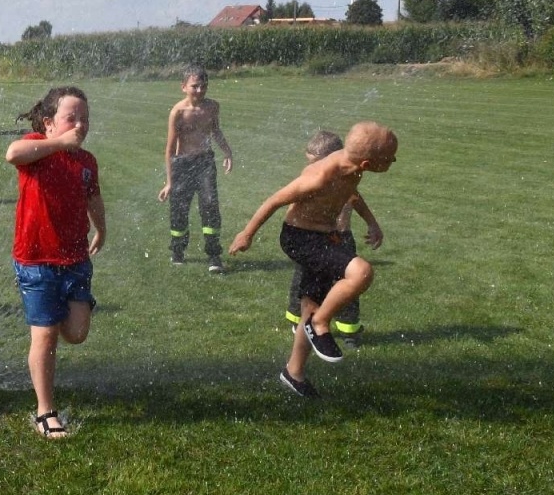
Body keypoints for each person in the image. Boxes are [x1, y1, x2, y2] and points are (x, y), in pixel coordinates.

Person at [229, 122, 398, 398]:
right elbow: (274, 200)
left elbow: (351, 195)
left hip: (323, 236)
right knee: (362, 272)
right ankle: (319, 324)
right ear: (369, 163)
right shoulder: (320, 176)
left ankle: (293, 373)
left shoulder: (352, 167)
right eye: (390, 159)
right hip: (300, 238)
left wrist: (372, 223)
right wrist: (246, 234)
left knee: (310, 303)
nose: (393, 162)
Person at [6, 87, 105, 439]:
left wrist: (101, 228)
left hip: (75, 259)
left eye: (85, 120)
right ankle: (45, 411)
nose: (80, 125)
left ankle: (50, 322)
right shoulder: (37, 148)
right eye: (71, 119)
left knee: (76, 332)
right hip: (36, 261)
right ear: (48, 124)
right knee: (45, 335)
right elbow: (12, 153)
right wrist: (60, 144)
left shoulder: (86, 161)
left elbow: (93, 197)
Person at [285, 131, 383, 348]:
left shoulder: (345, 176)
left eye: (318, 162)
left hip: (341, 238)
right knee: (303, 280)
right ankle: (298, 322)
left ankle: (349, 330)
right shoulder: (312, 177)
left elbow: (356, 199)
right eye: (310, 162)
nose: (315, 168)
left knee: (347, 284)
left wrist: (372, 223)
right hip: (314, 238)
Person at [158, 66, 234, 272]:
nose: (200, 90)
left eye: (203, 86)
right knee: (179, 208)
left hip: (205, 162)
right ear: (183, 87)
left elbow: (216, 131)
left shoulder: (212, 107)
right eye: (195, 86)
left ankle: (214, 255)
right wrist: (169, 181)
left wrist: (227, 152)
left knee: (210, 203)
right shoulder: (178, 112)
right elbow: (169, 149)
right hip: (182, 164)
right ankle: (177, 250)